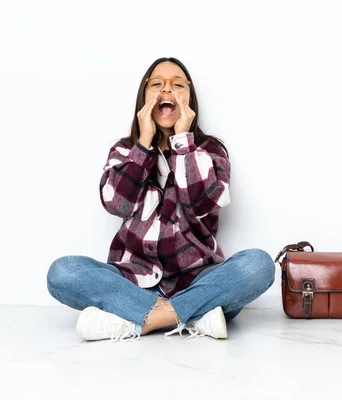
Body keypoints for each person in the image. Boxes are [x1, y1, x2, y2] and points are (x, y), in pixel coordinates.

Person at [46, 57, 275, 342]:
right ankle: (191, 316)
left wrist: (182, 142)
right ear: (144, 97)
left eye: (177, 84)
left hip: (198, 281)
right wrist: (143, 145)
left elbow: (199, 204)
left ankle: (136, 320)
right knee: (62, 272)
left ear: (189, 98)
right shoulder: (124, 150)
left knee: (258, 265)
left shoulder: (210, 150)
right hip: (131, 282)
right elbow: (117, 205)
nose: (167, 90)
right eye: (157, 84)